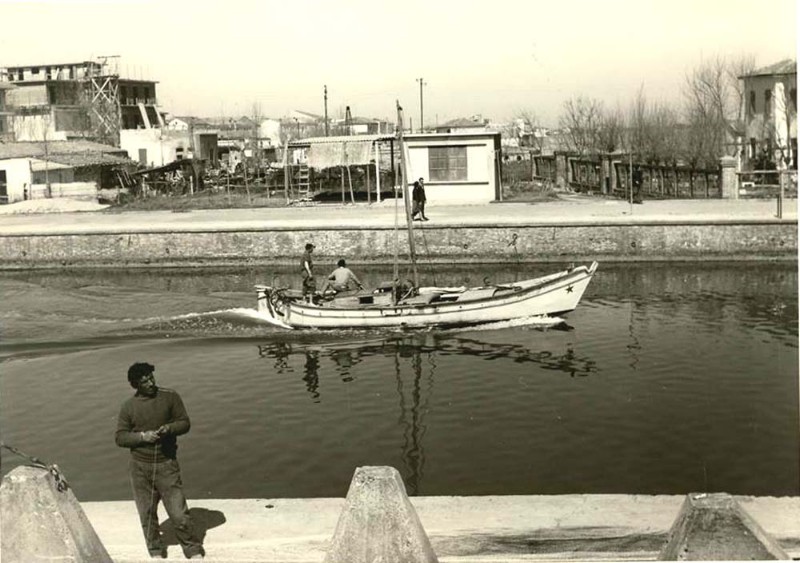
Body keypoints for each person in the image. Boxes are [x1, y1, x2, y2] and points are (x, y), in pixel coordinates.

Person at [115, 362, 205, 560]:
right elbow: (120, 437)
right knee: (147, 514)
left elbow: (184, 423)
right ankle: (155, 551)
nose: (150, 383)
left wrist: (169, 429)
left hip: (166, 465)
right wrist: (143, 437)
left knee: (178, 513)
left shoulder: (170, 397)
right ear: (135, 385)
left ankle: (192, 549)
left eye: (151, 378)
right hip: (139, 468)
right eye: (144, 381)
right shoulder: (128, 407)